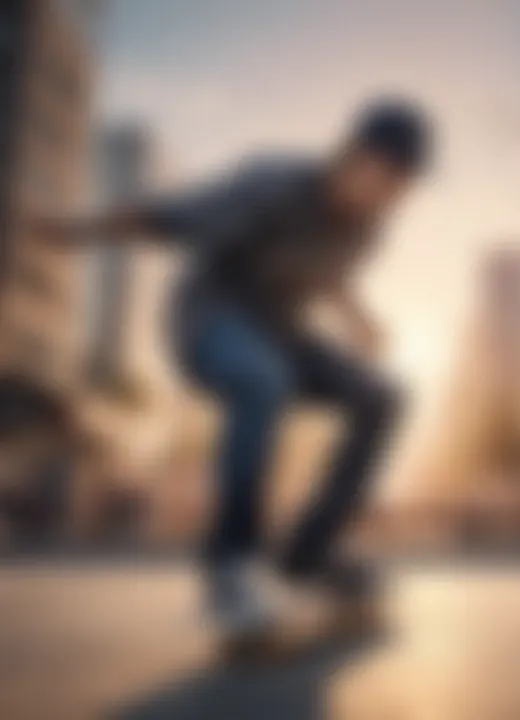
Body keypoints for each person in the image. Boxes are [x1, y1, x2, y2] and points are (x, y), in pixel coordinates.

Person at [36, 99, 434, 634]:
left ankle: (308, 555)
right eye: (382, 178)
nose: (386, 198)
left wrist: (360, 320)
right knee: (261, 376)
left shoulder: (368, 230)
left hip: (283, 332)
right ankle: (231, 567)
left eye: (401, 189)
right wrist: (75, 233)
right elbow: (167, 216)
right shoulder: (271, 184)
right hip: (209, 319)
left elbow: (325, 274)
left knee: (383, 395)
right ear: (349, 154)